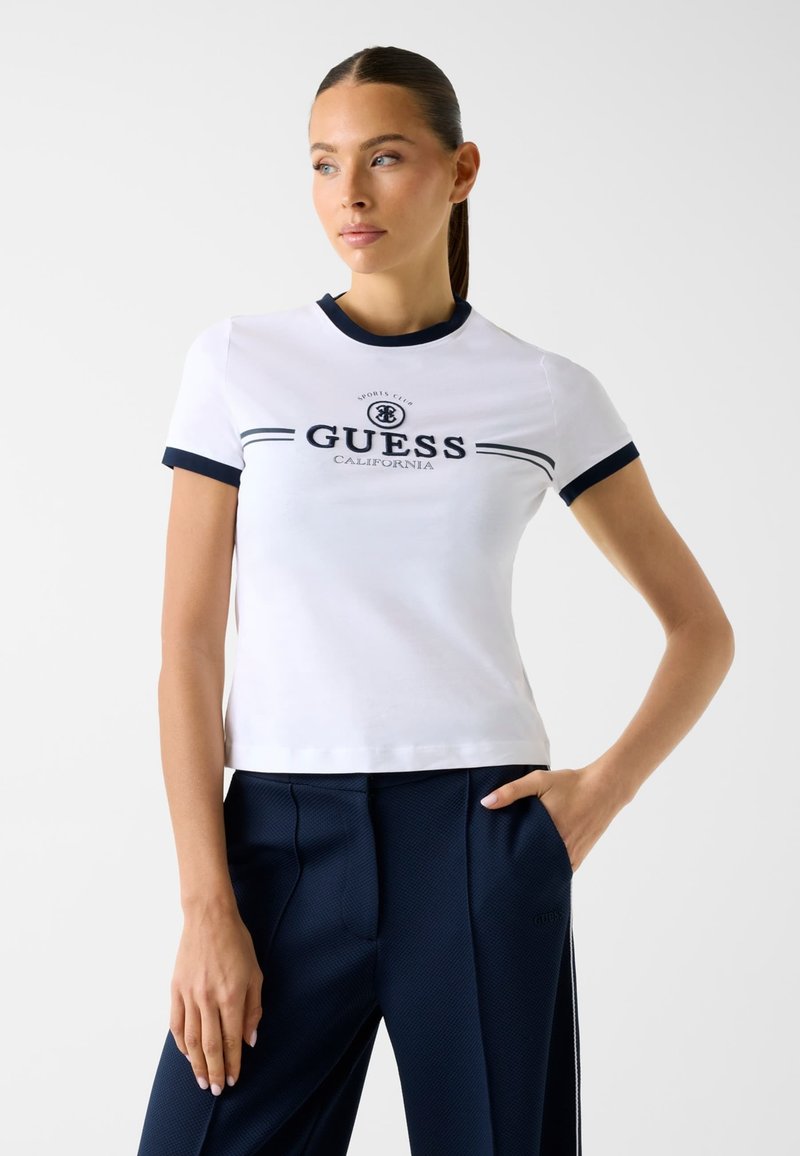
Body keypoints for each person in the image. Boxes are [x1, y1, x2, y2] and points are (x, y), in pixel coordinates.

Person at [136, 44, 735, 1156]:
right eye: (323, 164)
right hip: (279, 840)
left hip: (476, 833)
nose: (349, 194)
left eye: (385, 157)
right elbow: (187, 647)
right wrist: (205, 903)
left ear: (460, 170)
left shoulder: (543, 390)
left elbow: (700, 628)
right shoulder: (238, 365)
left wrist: (597, 795)